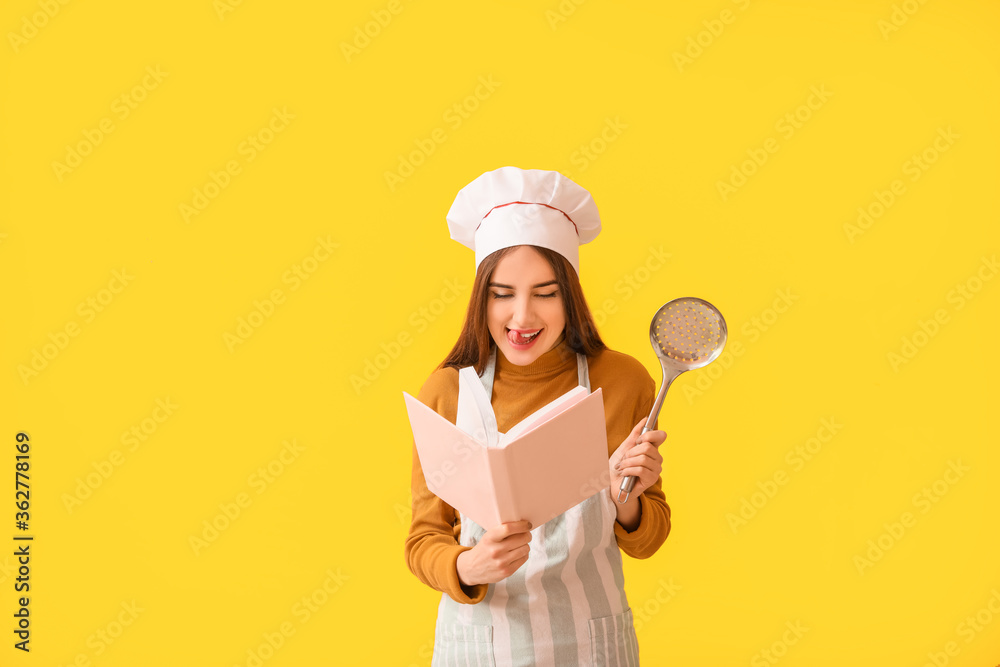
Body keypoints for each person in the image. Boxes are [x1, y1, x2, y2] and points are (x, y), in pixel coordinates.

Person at [404, 166, 671, 666]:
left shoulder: (623, 382)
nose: (522, 317)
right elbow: (423, 539)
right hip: (479, 648)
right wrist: (468, 565)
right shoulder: (446, 392)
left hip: (591, 648)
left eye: (545, 293)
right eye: (502, 294)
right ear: (481, 298)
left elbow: (648, 537)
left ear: (569, 295)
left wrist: (625, 499)